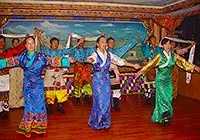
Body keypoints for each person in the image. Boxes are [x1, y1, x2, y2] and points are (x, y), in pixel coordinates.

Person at [0, 36, 72, 137]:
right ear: (25, 45)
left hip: (38, 84)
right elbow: (9, 61)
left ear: (35, 44)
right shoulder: (22, 57)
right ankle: (28, 127)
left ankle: (40, 127)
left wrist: (66, 60)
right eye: (28, 43)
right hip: (28, 84)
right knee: (29, 107)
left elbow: (52, 60)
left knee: (40, 106)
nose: (30, 45)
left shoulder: (41, 57)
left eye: (32, 43)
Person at [135, 38, 200, 125]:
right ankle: (165, 116)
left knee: (168, 98)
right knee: (163, 98)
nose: (168, 46)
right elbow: (151, 64)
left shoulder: (174, 55)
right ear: (163, 46)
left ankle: (162, 117)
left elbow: (183, 62)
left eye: (170, 44)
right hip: (160, 80)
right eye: (166, 44)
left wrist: (194, 67)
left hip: (168, 80)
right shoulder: (159, 56)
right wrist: (141, 71)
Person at [86, 36, 141, 130]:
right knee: (99, 101)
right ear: (97, 44)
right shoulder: (95, 54)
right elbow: (91, 58)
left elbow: (120, 61)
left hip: (106, 79)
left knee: (106, 101)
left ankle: (106, 122)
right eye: (102, 42)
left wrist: (133, 65)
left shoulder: (109, 54)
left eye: (105, 42)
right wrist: (89, 60)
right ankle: (97, 122)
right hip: (98, 80)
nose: (104, 43)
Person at [106, 37, 139, 111]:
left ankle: (115, 105)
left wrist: (134, 40)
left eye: (113, 42)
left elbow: (126, 47)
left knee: (116, 90)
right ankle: (106, 107)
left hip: (114, 73)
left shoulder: (117, 52)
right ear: (107, 43)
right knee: (106, 91)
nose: (112, 44)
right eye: (110, 42)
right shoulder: (104, 52)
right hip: (105, 74)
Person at [0, 35, 26, 119]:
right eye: (0, 41)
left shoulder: (8, 52)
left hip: (5, 76)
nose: (1, 43)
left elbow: (18, 49)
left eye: (3, 42)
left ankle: (5, 111)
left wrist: (26, 40)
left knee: (6, 93)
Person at [42, 37, 70, 114]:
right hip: (49, 74)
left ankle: (60, 107)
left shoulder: (60, 52)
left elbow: (68, 52)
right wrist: (38, 36)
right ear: (50, 43)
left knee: (61, 90)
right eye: (54, 43)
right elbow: (42, 45)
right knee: (49, 92)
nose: (56, 44)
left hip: (58, 73)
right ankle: (49, 107)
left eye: (57, 43)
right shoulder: (46, 51)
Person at [9, 38, 25, 108]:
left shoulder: (22, 52)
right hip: (12, 69)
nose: (15, 44)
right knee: (13, 85)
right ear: (12, 44)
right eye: (14, 42)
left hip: (20, 68)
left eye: (17, 42)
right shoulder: (10, 51)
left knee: (20, 84)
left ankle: (19, 102)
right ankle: (12, 103)